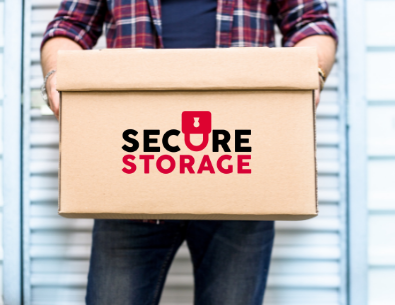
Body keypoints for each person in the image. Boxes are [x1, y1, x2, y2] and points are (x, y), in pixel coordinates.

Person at [40, 0, 337, 304]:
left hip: (241, 178)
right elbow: (69, 26)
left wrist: (309, 75)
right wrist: (58, 75)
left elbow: (310, 22)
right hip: (132, 178)